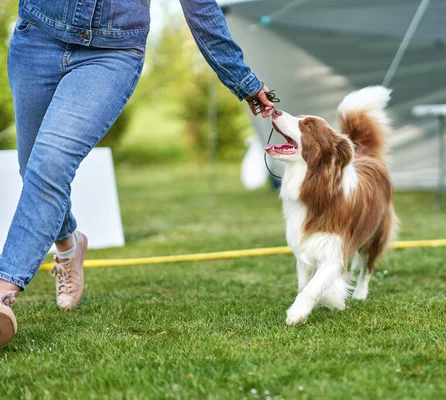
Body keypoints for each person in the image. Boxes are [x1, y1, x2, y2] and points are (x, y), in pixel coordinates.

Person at [0, 0, 274, 347]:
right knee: (31, 167)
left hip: (110, 53)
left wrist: (243, 80)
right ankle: (69, 244)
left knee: (50, 164)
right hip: (38, 36)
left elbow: (200, 8)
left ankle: (4, 292)